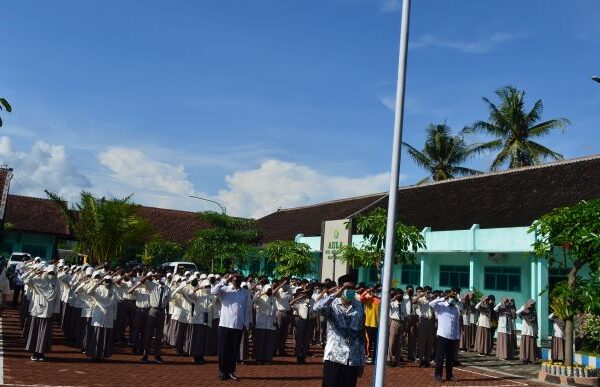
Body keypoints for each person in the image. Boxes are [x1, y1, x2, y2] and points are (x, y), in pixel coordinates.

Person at [314, 274, 365, 387]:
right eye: (347, 288)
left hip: (352, 359)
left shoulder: (359, 306)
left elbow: (360, 334)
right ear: (340, 288)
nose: (351, 291)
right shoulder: (332, 304)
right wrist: (335, 294)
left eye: (353, 288)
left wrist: (361, 362)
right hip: (334, 358)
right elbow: (316, 308)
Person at [212, 273, 253, 381]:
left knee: (234, 350)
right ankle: (222, 371)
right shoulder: (225, 289)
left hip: (238, 325)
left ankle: (231, 371)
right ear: (231, 280)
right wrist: (224, 281)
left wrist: (246, 323)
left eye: (238, 280)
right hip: (225, 324)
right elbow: (214, 291)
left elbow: (247, 309)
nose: (236, 281)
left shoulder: (245, 292)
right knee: (223, 349)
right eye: (234, 280)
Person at [24, 264, 61, 361]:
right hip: (37, 311)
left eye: (53, 273)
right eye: (49, 272)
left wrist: (55, 311)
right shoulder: (38, 280)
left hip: (48, 312)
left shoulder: (57, 283)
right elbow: (26, 281)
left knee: (44, 334)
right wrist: (35, 273)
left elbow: (57, 299)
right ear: (46, 272)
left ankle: (41, 353)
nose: (51, 274)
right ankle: (34, 353)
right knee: (35, 333)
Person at [430, 290, 461, 382]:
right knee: (440, 357)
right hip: (442, 335)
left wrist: (457, 336)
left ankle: (449, 375)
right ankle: (438, 375)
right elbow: (431, 303)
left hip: (452, 336)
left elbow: (456, 323)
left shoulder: (455, 308)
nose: (452, 298)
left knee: (450, 358)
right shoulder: (441, 306)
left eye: (453, 297)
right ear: (447, 297)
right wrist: (444, 297)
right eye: (451, 297)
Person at [85, 275, 118, 361]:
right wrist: (98, 283)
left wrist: (114, 318)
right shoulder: (99, 289)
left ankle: (103, 355)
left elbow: (115, 306)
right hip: (98, 317)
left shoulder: (114, 292)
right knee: (96, 337)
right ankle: (94, 355)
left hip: (108, 318)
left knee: (105, 338)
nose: (107, 283)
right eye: (106, 281)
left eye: (109, 281)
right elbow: (89, 291)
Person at [253, 283, 278, 365]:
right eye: (268, 290)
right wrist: (261, 293)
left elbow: (274, 311)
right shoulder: (260, 298)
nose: (270, 291)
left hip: (270, 324)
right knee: (260, 342)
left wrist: (275, 321)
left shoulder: (273, 299)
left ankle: (267, 359)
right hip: (261, 323)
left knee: (268, 343)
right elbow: (254, 300)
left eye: (270, 290)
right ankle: (258, 359)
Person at [290, 286, 314, 364]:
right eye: (307, 293)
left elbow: (316, 310)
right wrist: (300, 297)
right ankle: (298, 356)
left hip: (309, 321)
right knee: (299, 339)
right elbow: (291, 303)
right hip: (301, 321)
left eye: (310, 293)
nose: (309, 294)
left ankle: (304, 356)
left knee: (306, 340)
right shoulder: (300, 302)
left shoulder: (313, 301)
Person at [359, 285, 381, 364]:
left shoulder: (379, 300)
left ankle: (374, 357)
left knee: (376, 342)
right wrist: (367, 291)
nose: (373, 292)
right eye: (372, 291)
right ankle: (368, 356)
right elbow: (360, 298)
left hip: (377, 324)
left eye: (374, 291)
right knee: (368, 341)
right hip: (368, 324)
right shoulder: (368, 299)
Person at [416, 286, 435, 367]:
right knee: (422, 342)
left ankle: (427, 360)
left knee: (429, 342)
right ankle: (421, 360)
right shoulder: (421, 299)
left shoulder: (432, 300)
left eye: (429, 292)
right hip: (423, 321)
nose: (428, 294)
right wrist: (420, 295)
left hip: (431, 321)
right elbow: (413, 301)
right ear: (424, 292)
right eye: (427, 292)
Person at [387, 288, 405, 367]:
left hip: (402, 323)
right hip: (394, 322)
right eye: (399, 295)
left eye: (401, 295)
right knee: (392, 342)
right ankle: (389, 360)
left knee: (400, 342)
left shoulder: (404, 303)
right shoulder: (392, 303)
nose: (400, 296)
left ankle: (396, 361)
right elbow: (385, 305)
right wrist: (392, 299)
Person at [274, 279, 292, 356]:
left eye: (286, 283)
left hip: (287, 313)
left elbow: (291, 301)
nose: (285, 284)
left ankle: (281, 350)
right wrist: (280, 285)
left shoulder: (289, 290)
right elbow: (273, 292)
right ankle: (275, 350)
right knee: (278, 332)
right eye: (283, 283)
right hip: (280, 313)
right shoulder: (279, 290)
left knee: (284, 333)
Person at [517, 299, 538, 364]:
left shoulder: (534, 312)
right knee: (524, 346)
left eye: (533, 304)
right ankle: (524, 359)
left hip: (531, 331)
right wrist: (524, 307)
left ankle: (530, 359)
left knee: (531, 346)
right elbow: (517, 312)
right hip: (525, 331)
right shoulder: (523, 311)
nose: (532, 306)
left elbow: (535, 323)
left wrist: (536, 331)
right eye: (531, 304)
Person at [402, 285, 417, 361]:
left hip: (413, 317)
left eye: (412, 290)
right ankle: (399, 354)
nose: (411, 291)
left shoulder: (414, 298)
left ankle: (410, 355)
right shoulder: (404, 298)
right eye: (409, 290)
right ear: (406, 290)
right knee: (403, 336)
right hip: (406, 318)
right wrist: (406, 293)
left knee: (412, 338)